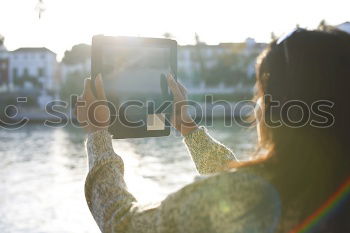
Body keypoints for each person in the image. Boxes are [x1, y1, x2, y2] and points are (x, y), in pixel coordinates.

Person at [76, 27, 350, 233]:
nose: (257, 108)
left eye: (262, 96)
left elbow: (123, 224)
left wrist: (98, 132)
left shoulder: (250, 196)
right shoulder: (326, 182)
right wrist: (188, 128)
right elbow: (241, 178)